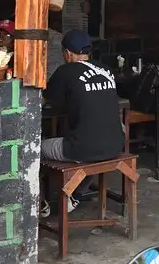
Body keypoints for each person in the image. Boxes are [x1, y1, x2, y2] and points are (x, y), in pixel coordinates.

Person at [40, 30, 124, 216]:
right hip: (116, 144)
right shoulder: (106, 70)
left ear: (68, 53)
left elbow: (44, 100)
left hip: (83, 148)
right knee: (95, 145)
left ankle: (39, 202)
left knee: (33, 149)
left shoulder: (66, 70)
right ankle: (76, 193)